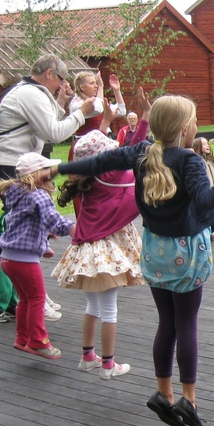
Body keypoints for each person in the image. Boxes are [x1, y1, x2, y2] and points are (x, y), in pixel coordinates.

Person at [52, 94, 214, 426]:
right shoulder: (187, 160)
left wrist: (57, 168)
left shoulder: (141, 154)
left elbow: (97, 164)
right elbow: (207, 198)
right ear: (183, 129)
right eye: (193, 121)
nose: (196, 127)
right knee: (186, 325)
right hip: (187, 254)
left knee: (167, 323)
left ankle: (163, 392)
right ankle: (189, 399)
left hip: (153, 252)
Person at [52, 122, 147, 379]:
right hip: (104, 256)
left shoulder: (89, 182)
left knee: (92, 307)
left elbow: (126, 152)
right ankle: (108, 364)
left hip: (86, 253)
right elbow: (132, 153)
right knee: (109, 311)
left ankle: (87, 357)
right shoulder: (113, 179)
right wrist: (145, 122)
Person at [0, 152, 76, 359]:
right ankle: (38, 342)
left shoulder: (16, 192)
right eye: (47, 171)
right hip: (24, 261)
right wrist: (74, 228)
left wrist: (43, 243)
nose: (52, 174)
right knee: (37, 299)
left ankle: (22, 339)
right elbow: (54, 220)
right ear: (37, 174)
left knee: (25, 300)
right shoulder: (37, 194)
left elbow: (24, 224)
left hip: (7, 259)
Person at [0, 54, 95, 185]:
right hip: (10, 166)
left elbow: (47, 123)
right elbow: (56, 134)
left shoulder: (27, 90)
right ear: (49, 73)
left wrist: (61, 101)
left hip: (8, 164)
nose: (62, 85)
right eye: (61, 80)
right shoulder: (32, 93)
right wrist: (81, 113)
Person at [69, 71, 127, 143]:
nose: (96, 86)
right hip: (85, 146)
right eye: (92, 83)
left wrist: (116, 90)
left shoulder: (97, 101)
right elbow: (98, 109)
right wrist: (100, 87)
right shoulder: (77, 104)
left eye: (96, 83)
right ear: (82, 87)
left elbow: (122, 111)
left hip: (100, 144)